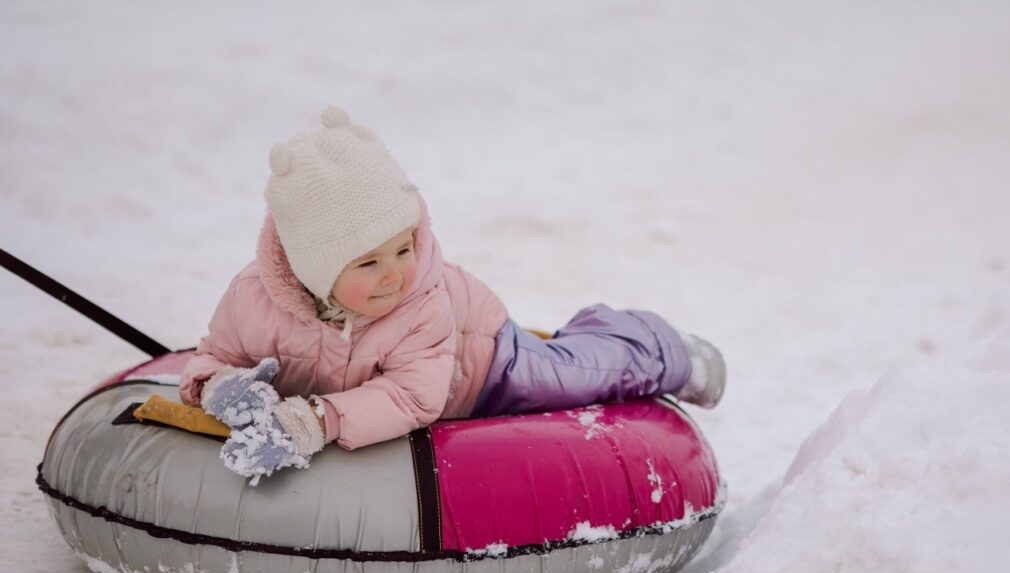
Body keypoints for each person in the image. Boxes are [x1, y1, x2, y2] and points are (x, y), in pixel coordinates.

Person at [180, 107, 726, 484]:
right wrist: (221, 388)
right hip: (421, 371)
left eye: (404, 247)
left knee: (572, 375)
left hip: (482, 363)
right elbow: (212, 355)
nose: (396, 273)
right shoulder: (252, 298)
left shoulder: (419, 300)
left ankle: (659, 347)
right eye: (369, 263)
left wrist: (315, 421)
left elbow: (415, 398)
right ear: (312, 268)